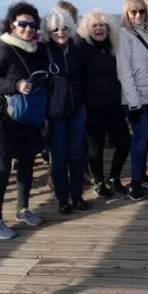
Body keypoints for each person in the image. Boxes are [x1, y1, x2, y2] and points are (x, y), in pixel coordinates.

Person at [0, 2, 43, 239]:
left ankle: (23, 208)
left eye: (32, 25)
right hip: (5, 116)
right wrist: (15, 85)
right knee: (3, 167)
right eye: (22, 24)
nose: (27, 28)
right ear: (12, 25)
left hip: (29, 115)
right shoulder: (4, 47)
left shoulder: (34, 49)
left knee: (27, 162)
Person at [77, 9, 131, 199]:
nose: (99, 29)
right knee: (95, 149)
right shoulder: (81, 48)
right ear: (87, 29)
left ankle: (115, 177)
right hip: (92, 107)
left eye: (102, 25)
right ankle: (99, 181)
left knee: (125, 142)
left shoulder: (113, 46)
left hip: (114, 104)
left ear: (108, 29)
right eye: (95, 26)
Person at [42, 8, 89, 214]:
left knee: (77, 155)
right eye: (55, 29)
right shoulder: (44, 52)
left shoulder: (77, 49)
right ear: (48, 32)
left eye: (64, 28)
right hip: (55, 112)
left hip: (78, 108)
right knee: (59, 157)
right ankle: (63, 199)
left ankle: (77, 195)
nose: (60, 33)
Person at [117, 0, 148, 200]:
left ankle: (142, 175)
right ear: (126, 13)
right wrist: (134, 101)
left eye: (141, 11)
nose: (138, 15)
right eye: (133, 11)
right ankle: (135, 183)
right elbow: (124, 71)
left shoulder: (144, 32)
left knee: (143, 140)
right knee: (140, 139)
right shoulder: (123, 35)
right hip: (137, 99)